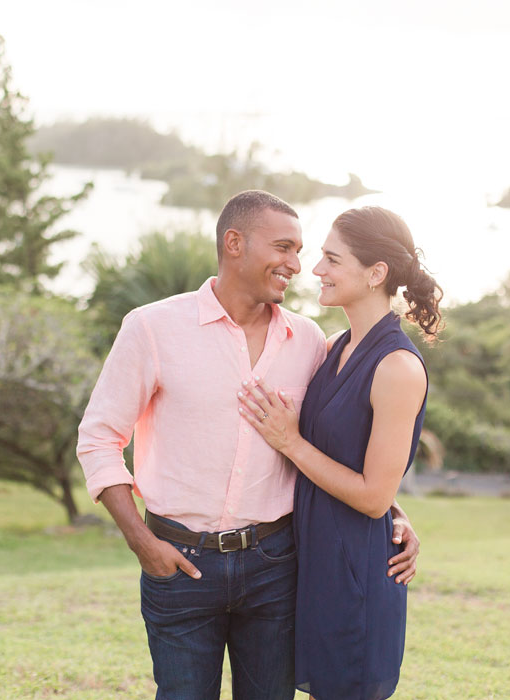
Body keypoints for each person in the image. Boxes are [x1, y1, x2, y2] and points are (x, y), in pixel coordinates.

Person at [76, 191, 421, 700]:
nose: (298, 265)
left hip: (278, 567)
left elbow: (342, 443)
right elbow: (99, 439)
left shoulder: (309, 343)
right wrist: (142, 541)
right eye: (284, 247)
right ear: (233, 243)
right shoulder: (152, 327)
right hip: (181, 561)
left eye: (307, 251)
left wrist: (390, 511)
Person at [238, 206, 441, 700]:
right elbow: (357, 465)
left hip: (356, 572)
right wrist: (398, 509)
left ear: (376, 274)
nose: (316, 270)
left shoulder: (397, 367)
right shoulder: (332, 346)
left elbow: (373, 497)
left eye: (332, 259)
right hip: (314, 565)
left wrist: (291, 442)